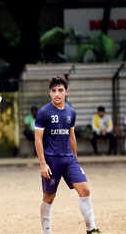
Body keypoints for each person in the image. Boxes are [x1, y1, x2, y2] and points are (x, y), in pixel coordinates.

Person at [34, 76, 105, 234]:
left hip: (69, 159)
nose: (57, 94)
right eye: (53, 91)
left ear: (66, 92)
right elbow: (37, 139)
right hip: (51, 161)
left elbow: (71, 136)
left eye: (60, 90)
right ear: (49, 93)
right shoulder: (43, 112)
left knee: (85, 190)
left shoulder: (71, 112)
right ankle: (47, 232)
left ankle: (91, 229)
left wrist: (75, 159)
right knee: (48, 198)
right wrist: (43, 164)